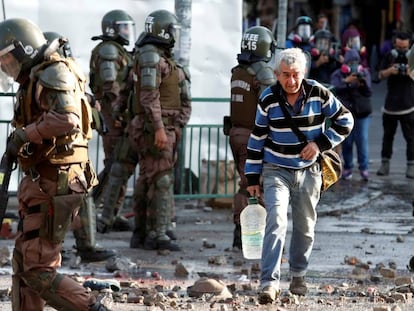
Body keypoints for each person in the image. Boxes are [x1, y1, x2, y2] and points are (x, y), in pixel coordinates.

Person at [0, 18, 109, 310]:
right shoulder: (37, 75)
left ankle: (93, 308)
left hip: (56, 181)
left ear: (24, 49)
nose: (7, 68)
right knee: (24, 261)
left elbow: (67, 119)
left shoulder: (53, 72)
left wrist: (24, 135)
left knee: (37, 270)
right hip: (43, 179)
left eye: (9, 60)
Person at [245, 48, 353, 304]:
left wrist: (320, 144)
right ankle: (269, 283)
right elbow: (257, 138)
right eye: (285, 75)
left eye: (295, 75)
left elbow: (345, 120)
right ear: (276, 74)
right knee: (276, 221)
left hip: (309, 171)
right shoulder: (268, 97)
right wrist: (251, 178)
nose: (291, 81)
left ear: (303, 74)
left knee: (305, 228)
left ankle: (298, 275)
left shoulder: (318, 92)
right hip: (275, 169)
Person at [43, 31, 115, 263]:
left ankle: (87, 245)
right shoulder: (46, 80)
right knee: (54, 201)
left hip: (75, 150)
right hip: (55, 153)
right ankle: (52, 248)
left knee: (83, 197)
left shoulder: (68, 78)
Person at [128, 9, 192, 251]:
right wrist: (159, 128)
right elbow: (148, 96)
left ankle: (143, 232)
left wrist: (177, 125)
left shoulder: (158, 57)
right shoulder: (151, 57)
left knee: (149, 178)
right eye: (172, 30)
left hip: (165, 126)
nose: (174, 35)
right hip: (155, 127)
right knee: (161, 180)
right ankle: (158, 232)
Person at [227, 25, 276, 250]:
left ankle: (241, 234)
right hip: (253, 139)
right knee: (256, 187)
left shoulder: (238, 71)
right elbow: (271, 107)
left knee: (245, 185)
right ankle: (252, 237)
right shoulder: (262, 73)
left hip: (236, 134)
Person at [89, 9, 137, 233]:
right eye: (124, 26)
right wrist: (118, 115)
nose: (127, 31)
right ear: (112, 28)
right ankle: (91, 212)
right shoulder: (109, 50)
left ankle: (110, 214)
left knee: (119, 167)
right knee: (114, 168)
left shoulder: (118, 50)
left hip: (117, 116)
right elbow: (110, 88)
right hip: (113, 117)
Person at [330, 49, 373, 181]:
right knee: (347, 142)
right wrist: (346, 81)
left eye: (355, 62)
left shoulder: (364, 72)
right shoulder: (338, 74)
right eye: (350, 62)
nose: (353, 64)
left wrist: (362, 82)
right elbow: (333, 89)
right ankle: (348, 167)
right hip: (345, 113)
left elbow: (369, 92)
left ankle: (364, 168)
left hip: (362, 113)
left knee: (362, 140)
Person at [376, 31, 414, 178]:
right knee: (387, 137)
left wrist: (408, 70)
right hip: (390, 106)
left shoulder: (412, 57)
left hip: (408, 105)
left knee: (411, 138)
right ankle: (385, 164)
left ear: (409, 45)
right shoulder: (390, 55)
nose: (401, 50)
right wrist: (390, 71)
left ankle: (411, 166)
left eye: (404, 47)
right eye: (399, 46)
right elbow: (378, 75)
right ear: (394, 44)